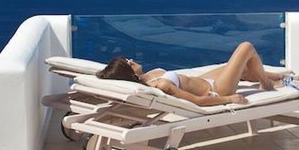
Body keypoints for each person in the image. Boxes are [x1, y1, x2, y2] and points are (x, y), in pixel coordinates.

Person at [97, 41, 288, 107]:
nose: (131, 60)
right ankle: (266, 83)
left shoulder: (149, 76)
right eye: (128, 63)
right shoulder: (161, 85)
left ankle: (273, 76)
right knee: (246, 47)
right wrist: (229, 99)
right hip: (216, 90)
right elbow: (197, 102)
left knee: (243, 68)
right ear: (129, 72)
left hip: (204, 80)